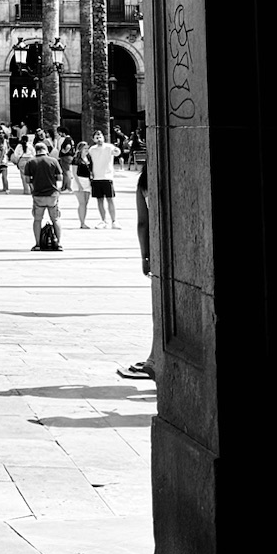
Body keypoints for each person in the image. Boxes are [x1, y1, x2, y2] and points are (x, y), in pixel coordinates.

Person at [119, 163, 156, 379]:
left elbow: (143, 223)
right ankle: (155, 356)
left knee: (158, 306)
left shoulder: (144, 184)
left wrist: (145, 256)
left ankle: (155, 357)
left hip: (159, 249)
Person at [22, 132, 63, 250]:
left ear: (36, 151)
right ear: (46, 150)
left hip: (38, 195)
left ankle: (38, 244)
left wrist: (34, 182)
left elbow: (27, 180)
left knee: (37, 220)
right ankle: (58, 243)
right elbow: (60, 177)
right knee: (55, 219)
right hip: (52, 194)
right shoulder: (53, 161)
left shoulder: (31, 162)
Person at [88, 129, 119, 227]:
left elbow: (117, 152)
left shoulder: (109, 147)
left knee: (110, 199)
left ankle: (114, 221)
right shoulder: (92, 149)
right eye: (97, 137)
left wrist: (117, 150)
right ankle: (103, 220)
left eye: (100, 136)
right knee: (99, 200)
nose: (99, 139)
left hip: (107, 177)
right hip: (96, 178)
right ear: (93, 139)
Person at [71, 136, 93, 227]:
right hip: (79, 180)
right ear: (80, 149)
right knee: (82, 203)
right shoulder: (76, 159)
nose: (87, 150)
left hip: (87, 181)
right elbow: (74, 173)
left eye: (87, 148)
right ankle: (82, 223)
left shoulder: (88, 159)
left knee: (86, 203)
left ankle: (84, 220)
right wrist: (79, 185)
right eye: (85, 148)